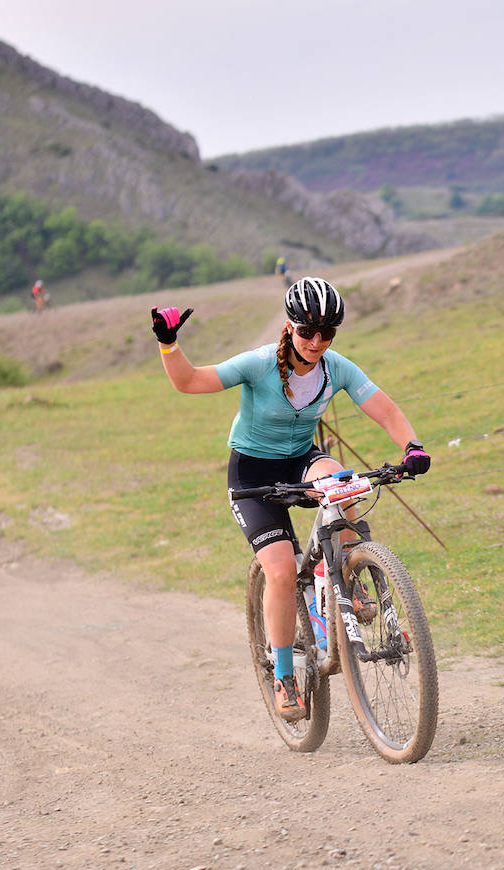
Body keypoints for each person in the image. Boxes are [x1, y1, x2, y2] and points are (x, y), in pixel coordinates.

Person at [151, 276, 431, 722]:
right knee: (280, 571)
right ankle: (284, 674)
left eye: (327, 333)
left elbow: (385, 408)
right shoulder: (259, 364)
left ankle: (350, 573)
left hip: (301, 459)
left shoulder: (336, 367)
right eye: (307, 332)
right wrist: (169, 344)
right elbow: (189, 382)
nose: (317, 342)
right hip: (254, 473)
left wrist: (411, 447)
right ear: (289, 326)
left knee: (344, 481)